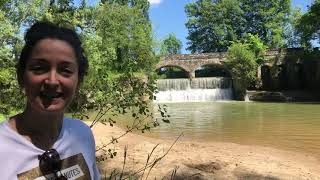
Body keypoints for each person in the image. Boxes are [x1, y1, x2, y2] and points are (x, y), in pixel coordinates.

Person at [0, 21, 100, 179]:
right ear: (21, 76)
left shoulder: (82, 134)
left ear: (78, 81)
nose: (52, 81)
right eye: (39, 68)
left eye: (65, 70)